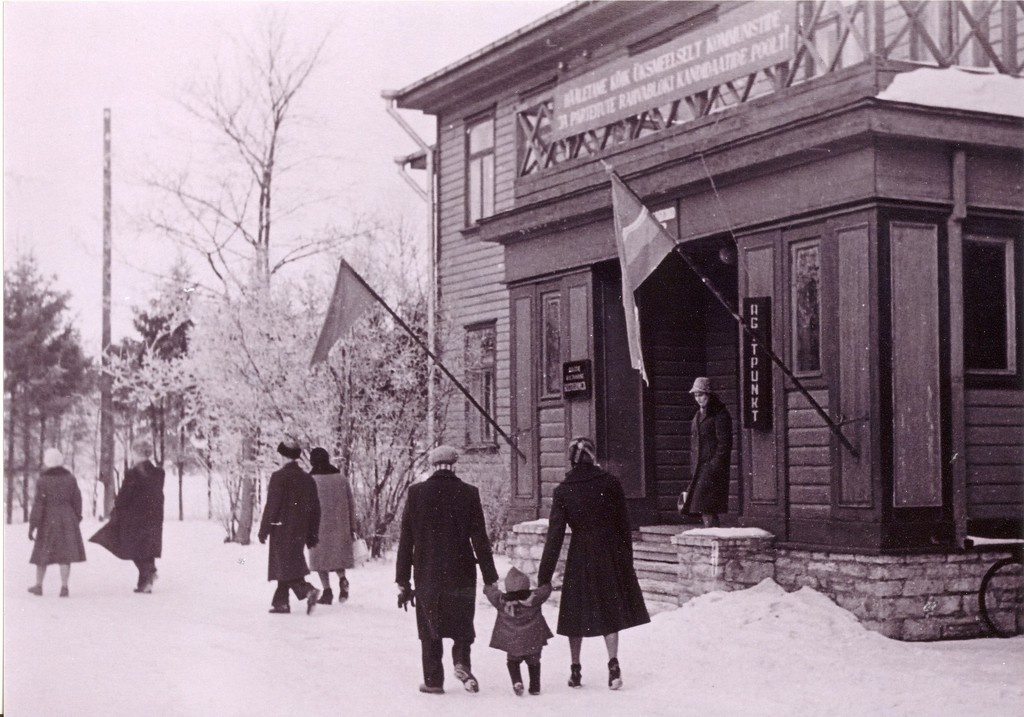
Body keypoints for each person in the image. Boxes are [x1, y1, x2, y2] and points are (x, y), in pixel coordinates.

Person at [537, 437, 650, 691]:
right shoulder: (610, 483)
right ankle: (613, 666)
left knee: (573, 612)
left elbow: (554, 536)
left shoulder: (563, 490)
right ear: (593, 456)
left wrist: (544, 575)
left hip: (580, 555)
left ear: (571, 459)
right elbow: (624, 526)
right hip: (608, 554)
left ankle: (575, 670)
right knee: (609, 609)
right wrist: (626, 562)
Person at [395, 445, 499, 695]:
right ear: (454, 465)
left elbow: (406, 540)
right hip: (461, 570)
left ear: (432, 465)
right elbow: (480, 539)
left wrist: (402, 579)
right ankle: (462, 661)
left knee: (429, 627)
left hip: (427, 571)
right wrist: (490, 578)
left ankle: (433, 681)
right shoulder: (469, 493)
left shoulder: (416, 493)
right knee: (462, 621)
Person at [89, 439, 165, 593]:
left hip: (135, 516)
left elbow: (125, 496)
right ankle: (145, 583)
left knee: (133, 547)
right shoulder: (158, 473)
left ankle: (149, 572)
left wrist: (116, 508)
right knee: (147, 548)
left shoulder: (133, 473)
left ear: (137, 453)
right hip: (154, 515)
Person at [258, 439, 322, 615]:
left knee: (285, 565)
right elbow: (315, 508)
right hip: (300, 530)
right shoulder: (307, 479)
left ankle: (307, 590)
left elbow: (272, 506)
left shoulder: (279, 477)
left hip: (281, 529)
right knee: (288, 564)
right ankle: (281, 603)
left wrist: (264, 530)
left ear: (284, 456)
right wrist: (312, 533)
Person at [28, 448, 87, 597]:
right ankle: (64, 587)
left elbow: (39, 504)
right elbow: (77, 499)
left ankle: (39, 585)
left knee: (42, 552)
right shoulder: (70, 479)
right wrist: (76, 517)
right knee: (65, 553)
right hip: (67, 517)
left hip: (48, 518)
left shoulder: (43, 480)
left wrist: (33, 524)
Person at [485, 566, 553, 696]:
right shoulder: (535, 597)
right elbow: (546, 590)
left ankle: (517, 681)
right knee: (534, 662)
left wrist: (488, 586)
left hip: (512, 641)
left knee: (512, 661)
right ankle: (535, 686)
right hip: (533, 640)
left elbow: (491, 593)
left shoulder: (501, 600)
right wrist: (546, 583)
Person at [680, 376, 733, 528]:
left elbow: (725, 444)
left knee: (706, 505)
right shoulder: (698, 415)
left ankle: (712, 540)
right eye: (696, 395)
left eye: (701, 395)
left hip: (712, 469)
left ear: (709, 394)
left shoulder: (720, 414)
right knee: (703, 507)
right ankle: (711, 539)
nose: (698, 399)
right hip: (699, 468)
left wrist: (714, 465)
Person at [307, 447, 356, 605]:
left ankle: (327, 591)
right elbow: (351, 503)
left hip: (318, 527)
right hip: (340, 527)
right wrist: (353, 526)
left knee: (321, 560)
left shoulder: (311, 480)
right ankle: (342, 579)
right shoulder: (341, 478)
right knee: (338, 557)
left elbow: (305, 507)